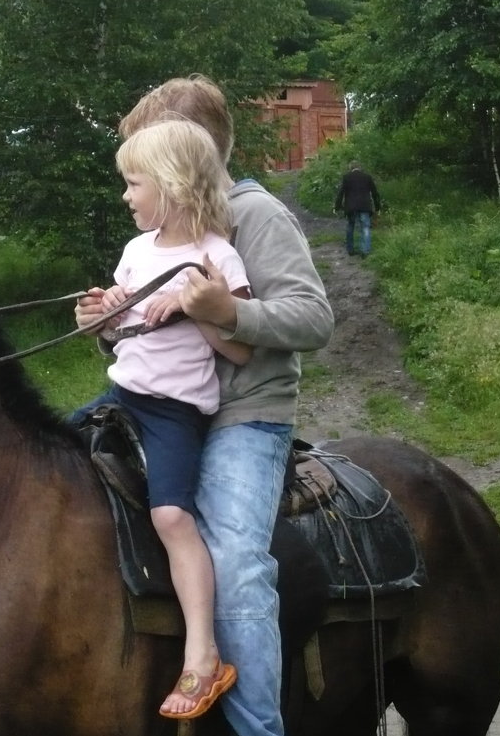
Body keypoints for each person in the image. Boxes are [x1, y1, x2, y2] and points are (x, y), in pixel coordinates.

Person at [75, 75, 334, 736]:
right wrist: (107, 322)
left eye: (147, 163)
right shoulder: (158, 237)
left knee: (237, 560)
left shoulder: (256, 216)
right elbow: (147, 323)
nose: (134, 188)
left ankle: (257, 728)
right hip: (161, 400)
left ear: (192, 159)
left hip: (243, 413)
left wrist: (231, 311)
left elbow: (314, 317)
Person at [75, 118, 252, 720]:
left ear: (172, 186)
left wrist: (198, 306)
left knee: (173, 515)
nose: (126, 196)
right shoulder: (135, 251)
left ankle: (203, 657)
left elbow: (240, 349)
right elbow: (122, 329)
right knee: (47, 455)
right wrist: (99, 317)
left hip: (173, 412)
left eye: (134, 183)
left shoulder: (216, 255)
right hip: (121, 395)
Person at [334, 160, 382, 257]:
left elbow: (341, 193)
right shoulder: (367, 177)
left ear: (350, 168)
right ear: (360, 167)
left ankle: (350, 250)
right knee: (365, 228)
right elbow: (375, 193)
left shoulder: (346, 177)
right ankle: (365, 251)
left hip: (351, 207)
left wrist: (337, 206)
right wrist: (378, 207)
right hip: (365, 206)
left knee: (350, 227)